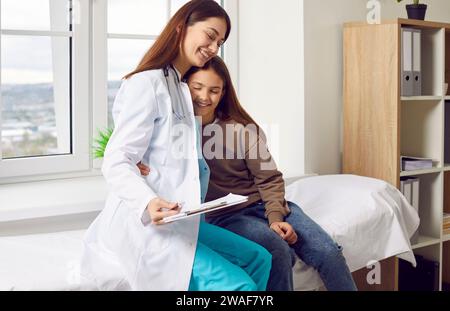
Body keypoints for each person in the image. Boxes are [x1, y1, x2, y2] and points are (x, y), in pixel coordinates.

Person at [81, 0, 271, 291]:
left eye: (219, 42)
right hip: (148, 223)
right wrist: (147, 200)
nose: (213, 47)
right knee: (240, 287)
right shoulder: (147, 83)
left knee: (259, 258)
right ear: (182, 26)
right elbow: (116, 159)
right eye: (210, 35)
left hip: (181, 217)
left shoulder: (182, 87)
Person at [139, 56, 358, 291]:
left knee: (327, 251)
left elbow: (269, 178)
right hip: (226, 216)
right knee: (278, 250)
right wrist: (137, 164)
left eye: (214, 90)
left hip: (264, 205)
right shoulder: (169, 132)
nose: (204, 96)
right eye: (197, 87)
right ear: (184, 87)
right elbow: (136, 155)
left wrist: (275, 218)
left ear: (223, 93)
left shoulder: (241, 131)